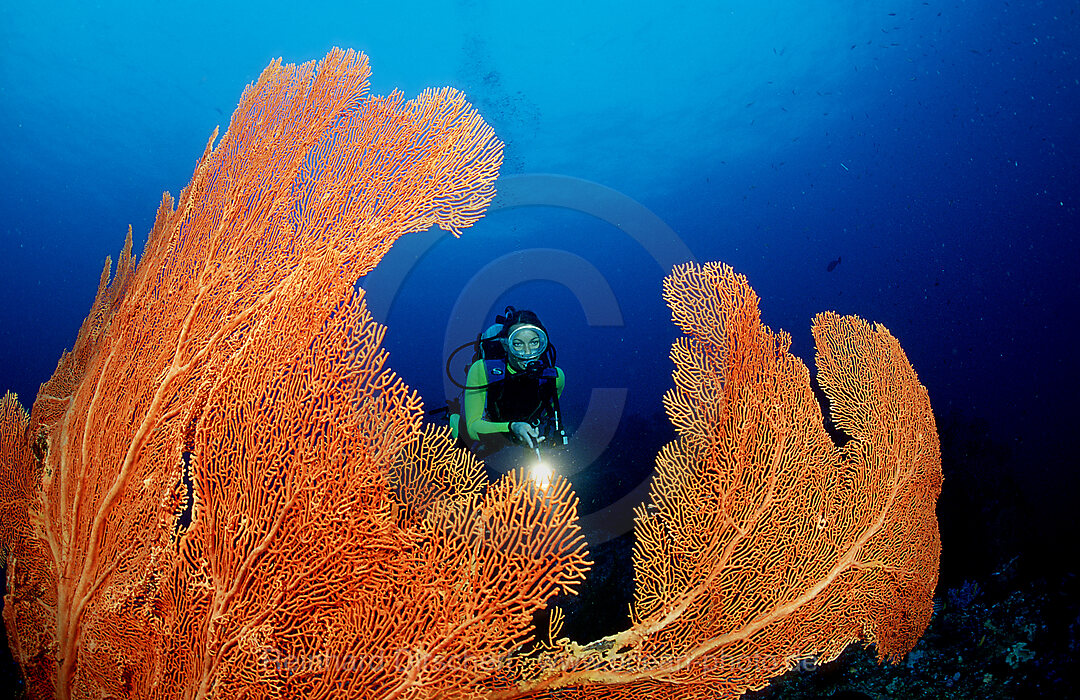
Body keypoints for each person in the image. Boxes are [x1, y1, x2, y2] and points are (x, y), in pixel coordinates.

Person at [447, 307, 566, 458]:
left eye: (534, 343)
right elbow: (473, 428)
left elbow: (547, 416)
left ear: (543, 343)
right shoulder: (482, 370)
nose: (527, 353)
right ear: (506, 345)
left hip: (516, 432)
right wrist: (512, 427)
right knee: (462, 451)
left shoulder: (555, 378)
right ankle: (454, 416)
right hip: (488, 426)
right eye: (518, 344)